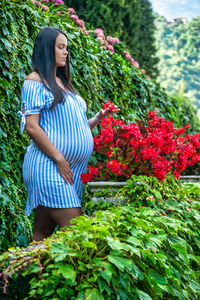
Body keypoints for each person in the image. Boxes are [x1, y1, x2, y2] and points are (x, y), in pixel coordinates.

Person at [18, 27, 119, 242]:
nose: (66, 52)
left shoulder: (62, 83)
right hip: (50, 167)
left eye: (67, 48)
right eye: (60, 47)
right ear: (47, 49)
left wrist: (98, 118)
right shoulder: (34, 80)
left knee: (42, 235)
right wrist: (59, 159)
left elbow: (75, 127)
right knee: (81, 235)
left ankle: (13, 274)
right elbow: (32, 126)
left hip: (69, 170)